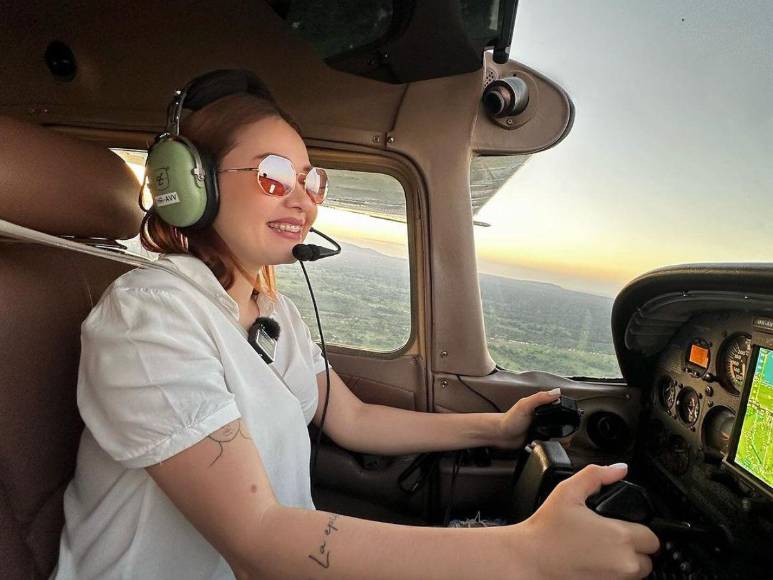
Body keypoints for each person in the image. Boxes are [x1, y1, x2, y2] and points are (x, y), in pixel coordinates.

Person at [53, 71, 659, 579]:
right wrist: (525, 554)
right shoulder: (148, 317)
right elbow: (256, 534)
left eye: (311, 180)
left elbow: (355, 419)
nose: (303, 199)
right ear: (193, 185)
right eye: (272, 174)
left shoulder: (273, 313)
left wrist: (499, 428)